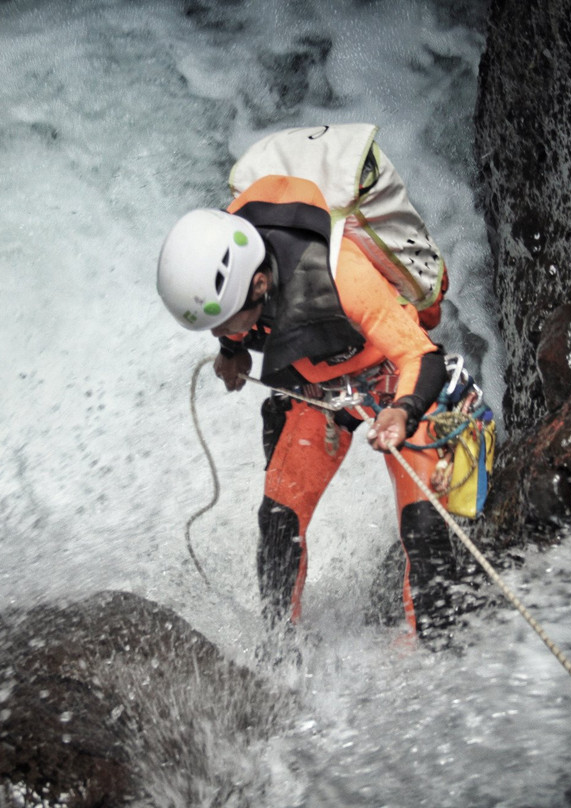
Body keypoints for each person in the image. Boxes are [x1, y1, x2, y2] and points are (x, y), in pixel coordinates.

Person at [156, 173, 458, 646]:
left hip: (396, 384)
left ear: (260, 283)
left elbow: (422, 357)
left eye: (225, 323)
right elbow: (238, 325)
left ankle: (436, 651)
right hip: (320, 393)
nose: (221, 331)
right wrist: (231, 350)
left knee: (423, 526)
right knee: (278, 519)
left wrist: (404, 410)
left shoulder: (343, 277)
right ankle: (281, 652)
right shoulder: (244, 286)